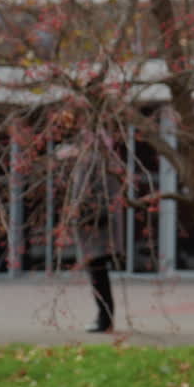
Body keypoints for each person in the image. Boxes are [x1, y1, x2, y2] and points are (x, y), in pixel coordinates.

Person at [57, 135, 123, 334]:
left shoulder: (93, 164)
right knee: (98, 275)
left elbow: (93, 198)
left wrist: (78, 217)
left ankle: (105, 320)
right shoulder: (100, 163)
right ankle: (104, 319)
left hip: (96, 231)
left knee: (98, 276)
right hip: (96, 230)